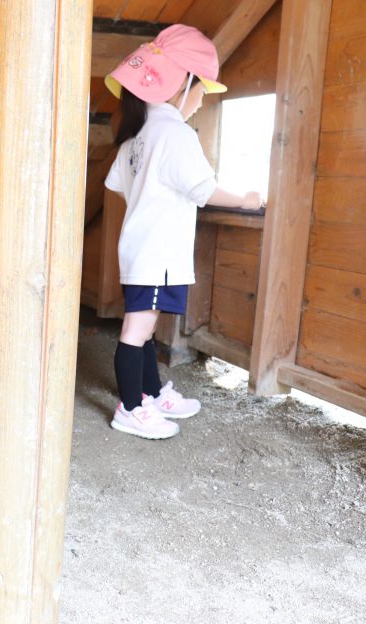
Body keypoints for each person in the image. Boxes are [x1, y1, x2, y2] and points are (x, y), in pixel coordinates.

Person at [103, 24, 263, 440]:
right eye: (202, 90)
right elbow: (203, 189)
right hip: (157, 253)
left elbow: (117, 185)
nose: (202, 100)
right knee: (136, 332)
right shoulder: (173, 132)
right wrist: (246, 200)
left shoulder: (137, 135)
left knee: (145, 328)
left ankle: (151, 394)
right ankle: (131, 408)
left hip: (139, 248)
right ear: (184, 83)